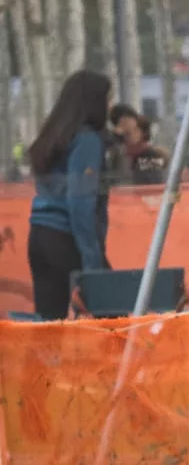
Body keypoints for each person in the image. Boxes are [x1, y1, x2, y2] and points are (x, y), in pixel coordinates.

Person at [28, 69, 111, 319]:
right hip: (68, 239)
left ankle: (46, 360)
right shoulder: (87, 140)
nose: (109, 105)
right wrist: (92, 260)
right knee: (111, 313)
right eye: (107, 98)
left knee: (49, 324)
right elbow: (80, 203)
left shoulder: (55, 137)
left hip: (40, 236)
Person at [109, 104, 169, 186]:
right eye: (126, 132)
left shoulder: (150, 154)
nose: (130, 134)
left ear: (143, 133)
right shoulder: (119, 151)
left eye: (135, 130)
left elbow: (155, 182)